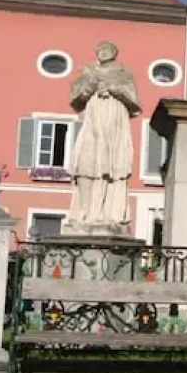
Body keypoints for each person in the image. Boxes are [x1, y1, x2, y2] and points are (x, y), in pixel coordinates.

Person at [68, 43, 141, 234]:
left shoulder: (124, 73)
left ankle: (109, 213)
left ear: (114, 53)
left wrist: (113, 88)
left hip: (114, 117)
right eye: (99, 49)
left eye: (107, 49)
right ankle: (84, 212)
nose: (102, 52)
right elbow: (76, 98)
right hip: (93, 116)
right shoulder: (88, 71)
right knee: (86, 160)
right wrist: (90, 85)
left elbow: (134, 101)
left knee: (111, 163)